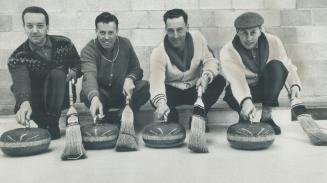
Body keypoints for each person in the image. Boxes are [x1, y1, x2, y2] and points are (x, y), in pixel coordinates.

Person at [220, 12, 302, 135]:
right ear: (237, 32)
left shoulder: (274, 41)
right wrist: (246, 102)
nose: (249, 38)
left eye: (253, 32)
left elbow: (286, 65)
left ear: (261, 30)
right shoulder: (227, 50)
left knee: (276, 66)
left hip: (265, 89)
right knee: (233, 91)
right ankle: (244, 116)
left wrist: (294, 84)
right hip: (240, 91)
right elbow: (236, 80)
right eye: (244, 33)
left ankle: (267, 117)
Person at [8, 6, 81, 139]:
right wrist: (24, 102)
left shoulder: (64, 44)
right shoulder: (17, 57)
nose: (34, 31)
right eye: (29, 26)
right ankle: (43, 122)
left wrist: (74, 72)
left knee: (57, 73)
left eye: (40, 25)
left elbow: (78, 63)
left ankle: (52, 123)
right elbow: (21, 81)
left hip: (59, 96)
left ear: (47, 26)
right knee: (16, 88)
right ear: (24, 27)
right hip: (35, 102)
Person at [149, 9, 226, 130]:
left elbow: (210, 61)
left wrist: (206, 76)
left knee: (219, 80)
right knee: (155, 98)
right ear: (165, 30)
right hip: (172, 93)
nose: (175, 36)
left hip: (195, 89)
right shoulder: (158, 53)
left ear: (187, 27)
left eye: (179, 30)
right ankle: (171, 117)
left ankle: (198, 116)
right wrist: (161, 103)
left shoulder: (198, 38)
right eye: (171, 31)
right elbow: (156, 82)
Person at [80, 12, 149, 123]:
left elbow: (137, 69)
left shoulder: (125, 44)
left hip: (123, 94)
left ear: (117, 31)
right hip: (102, 96)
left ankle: (123, 116)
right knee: (85, 94)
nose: (106, 37)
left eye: (111, 33)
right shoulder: (88, 50)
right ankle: (104, 116)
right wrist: (94, 97)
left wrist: (130, 78)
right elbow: (89, 75)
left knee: (144, 87)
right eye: (102, 32)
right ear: (96, 31)